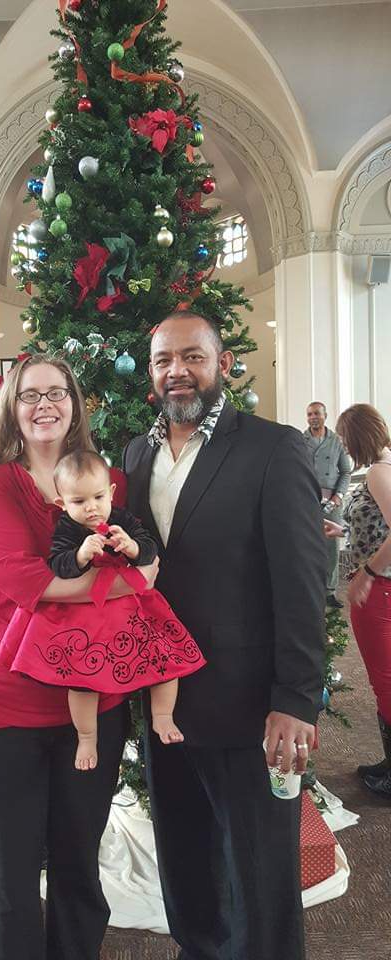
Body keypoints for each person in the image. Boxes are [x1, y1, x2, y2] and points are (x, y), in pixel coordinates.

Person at [123, 311, 327, 960]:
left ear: (223, 365)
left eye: (192, 356)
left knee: (260, 876)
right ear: (150, 373)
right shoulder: (136, 453)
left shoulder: (272, 447)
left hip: (245, 707)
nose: (176, 370)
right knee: (185, 862)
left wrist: (296, 697)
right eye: (162, 360)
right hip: (164, 703)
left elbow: (301, 580)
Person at [0, 355, 159, 960]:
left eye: (57, 392)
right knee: (9, 878)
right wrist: (131, 582)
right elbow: (22, 582)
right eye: (29, 394)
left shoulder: (105, 476)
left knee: (77, 867)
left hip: (90, 703)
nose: (44, 404)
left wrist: (142, 565)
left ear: (74, 403)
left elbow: (148, 548)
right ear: (11, 406)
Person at [0, 449, 206, 770]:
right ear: (62, 504)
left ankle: (163, 717)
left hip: (134, 608)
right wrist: (80, 555)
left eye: (97, 497)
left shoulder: (120, 518)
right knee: (81, 681)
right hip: (87, 616)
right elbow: (58, 565)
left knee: (167, 657)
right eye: (79, 502)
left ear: (110, 494)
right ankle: (86, 736)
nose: (91, 508)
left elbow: (149, 549)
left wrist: (132, 547)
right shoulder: (67, 528)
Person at [324, 403, 391, 798]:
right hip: (380, 586)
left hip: (380, 590)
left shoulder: (381, 473)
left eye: (346, 438)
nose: (344, 446)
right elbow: (377, 527)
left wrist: (367, 574)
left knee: (385, 680)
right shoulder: (382, 468)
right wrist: (342, 529)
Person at [303, 401, 351, 608]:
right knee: (306, 544)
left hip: (332, 501)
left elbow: (346, 471)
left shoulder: (336, 441)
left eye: (316, 414)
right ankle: (309, 590)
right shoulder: (299, 439)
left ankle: (329, 591)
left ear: (325, 415)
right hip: (307, 499)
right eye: (309, 414)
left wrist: (338, 495)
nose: (313, 417)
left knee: (331, 547)